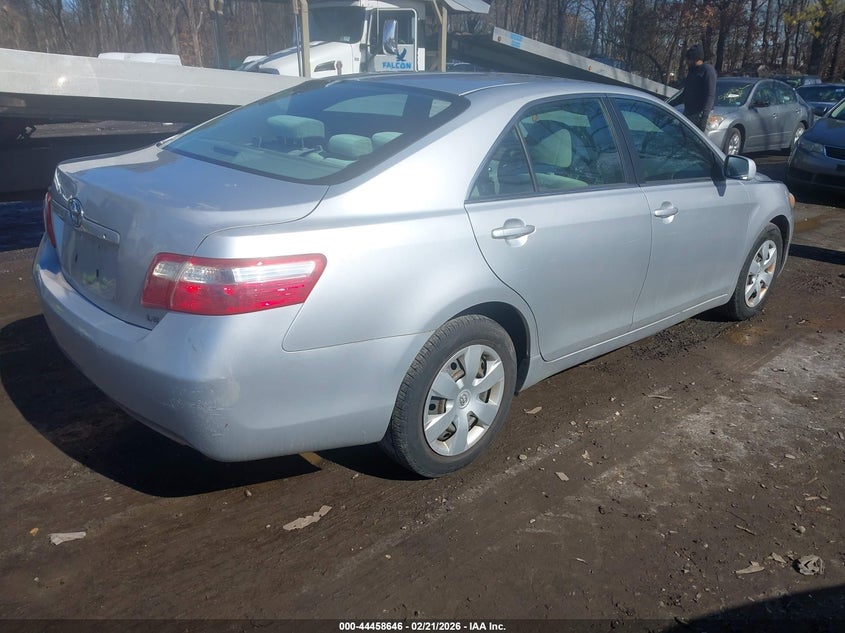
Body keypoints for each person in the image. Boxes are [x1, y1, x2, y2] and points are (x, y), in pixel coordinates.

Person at [682, 45, 717, 132]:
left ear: (695, 59)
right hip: (688, 112)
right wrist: (669, 104)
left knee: (697, 142)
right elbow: (685, 93)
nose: (687, 62)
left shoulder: (708, 71)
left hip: (700, 114)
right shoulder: (692, 72)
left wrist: (704, 116)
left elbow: (710, 95)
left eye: (689, 59)